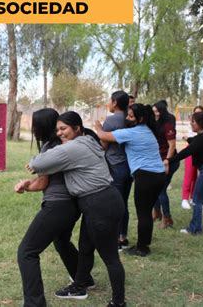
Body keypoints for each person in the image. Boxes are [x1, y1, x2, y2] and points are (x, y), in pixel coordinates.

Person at [29, 111, 126, 307]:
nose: (59, 133)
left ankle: (118, 302)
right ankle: (80, 285)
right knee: (86, 247)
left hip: (99, 203)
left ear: (77, 128)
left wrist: (33, 163)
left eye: (63, 129)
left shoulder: (74, 147)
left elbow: (38, 164)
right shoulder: (88, 140)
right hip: (102, 200)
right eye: (57, 130)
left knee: (110, 256)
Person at [14, 108, 94, 307]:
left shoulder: (51, 147)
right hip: (74, 205)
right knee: (61, 240)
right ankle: (83, 279)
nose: (33, 129)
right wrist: (27, 183)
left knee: (27, 251)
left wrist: (26, 186)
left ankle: (34, 303)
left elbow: (43, 184)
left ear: (41, 126)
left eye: (34, 125)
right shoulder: (69, 143)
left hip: (58, 206)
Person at [94, 104, 166, 257]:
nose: (127, 118)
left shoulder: (132, 132)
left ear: (140, 118)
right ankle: (144, 243)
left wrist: (98, 125)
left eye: (131, 116)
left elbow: (103, 136)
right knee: (146, 211)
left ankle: (142, 248)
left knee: (143, 213)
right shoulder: (148, 130)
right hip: (158, 175)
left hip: (146, 176)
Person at [165, 112, 203, 235]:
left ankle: (195, 228)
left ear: (200, 124)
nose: (191, 123)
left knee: (196, 199)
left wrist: (169, 160)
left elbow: (187, 152)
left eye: (193, 121)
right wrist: (189, 139)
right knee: (202, 196)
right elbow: (195, 141)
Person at [102, 91, 133, 249]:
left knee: (115, 203)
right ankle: (123, 236)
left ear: (114, 103)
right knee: (124, 203)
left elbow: (103, 145)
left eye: (109, 100)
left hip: (115, 166)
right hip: (130, 166)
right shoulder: (130, 119)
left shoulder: (111, 120)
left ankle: (116, 240)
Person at [152, 101, 179, 229]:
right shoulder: (155, 123)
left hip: (169, 161)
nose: (155, 114)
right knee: (155, 188)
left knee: (161, 189)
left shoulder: (168, 124)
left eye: (157, 111)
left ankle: (167, 218)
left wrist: (167, 161)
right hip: (158, 160)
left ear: (162, 111)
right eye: (153, 111)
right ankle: (156, 212)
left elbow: (172, 145)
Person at [180, 106, 203, 209]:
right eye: (196, 113)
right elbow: (188, 136)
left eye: (200, 113)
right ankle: (185, 198)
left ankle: (192, 197)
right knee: (189, 174)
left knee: (197, 176)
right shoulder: (191, 125)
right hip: (191, 150)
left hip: (202, 152)